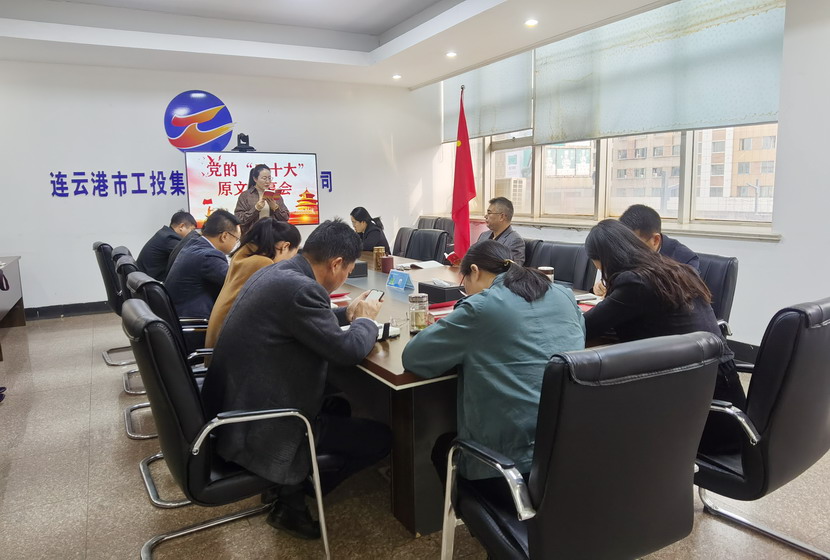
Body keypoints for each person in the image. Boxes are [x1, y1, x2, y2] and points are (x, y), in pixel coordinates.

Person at [200, 219, 392, 540]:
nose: (346, 277)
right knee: (381, 439)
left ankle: (291, 484)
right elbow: (347, 351)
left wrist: (344, 314)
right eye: (347, 271)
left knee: (340, 404)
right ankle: (297, 493)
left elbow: (299, 319)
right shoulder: (302, 289)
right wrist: (365, 322)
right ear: (336, 264)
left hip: (236, 407)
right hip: (264, 424)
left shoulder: (278, 272)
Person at [402, 240, 585, 500]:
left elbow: (414, 357)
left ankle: (473, 511)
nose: (465, 290)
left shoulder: (481, 307)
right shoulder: (564, 295)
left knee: (443, 447)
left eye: (463, 282)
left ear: (474, 271)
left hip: (507, 466)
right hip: (567, 452)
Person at [582, 219, 744, 453]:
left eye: (597, 264)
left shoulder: (635, 282)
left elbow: (586, 328)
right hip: (723, 398)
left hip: (698, 420)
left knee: (589, 400)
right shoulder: (676, 270)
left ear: (604, 258)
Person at [205, 218, 301, 348]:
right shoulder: (262, 263)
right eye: (293, 256)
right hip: (232, 347)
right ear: (285, 246)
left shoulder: (243, 256)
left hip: (220, 340)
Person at [593, 204, 700, 296]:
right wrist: (603, 286)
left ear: (655, 240)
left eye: (634, 243)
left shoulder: (685, 259)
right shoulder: (625, 251)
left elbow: (684, 296)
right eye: (626, 242)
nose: (629, 249)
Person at [165, 209, 240, 319]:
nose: (236, 243)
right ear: (224, 236)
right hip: (195, 322)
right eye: (237, 239)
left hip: (177, 315)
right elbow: (236, 284)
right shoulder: (209, 256)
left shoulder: (194, 244)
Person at [135, 210, 196, 281]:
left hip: (144, 279)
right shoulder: (170, 239)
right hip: (153, 282)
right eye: (192, 230)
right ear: (181, 226)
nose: (193, 234)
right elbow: (191, 257)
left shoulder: (164, 234)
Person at [234, 163, 290, 236]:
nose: (267, 181)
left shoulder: (275, 195)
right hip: (252, 237)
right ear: (255, 179)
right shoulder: (246, 196)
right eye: (264, 178)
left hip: (272, 236)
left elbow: (285, 218)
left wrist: (275, 208)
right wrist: (256, 209)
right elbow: (239, 219)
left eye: (269, 178)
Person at [476, 197, 525, 265]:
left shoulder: (515, 241)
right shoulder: (483, 235)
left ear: (502, 217)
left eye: (489, 213)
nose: (485, 216)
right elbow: (473, 257)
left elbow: (513, 268)